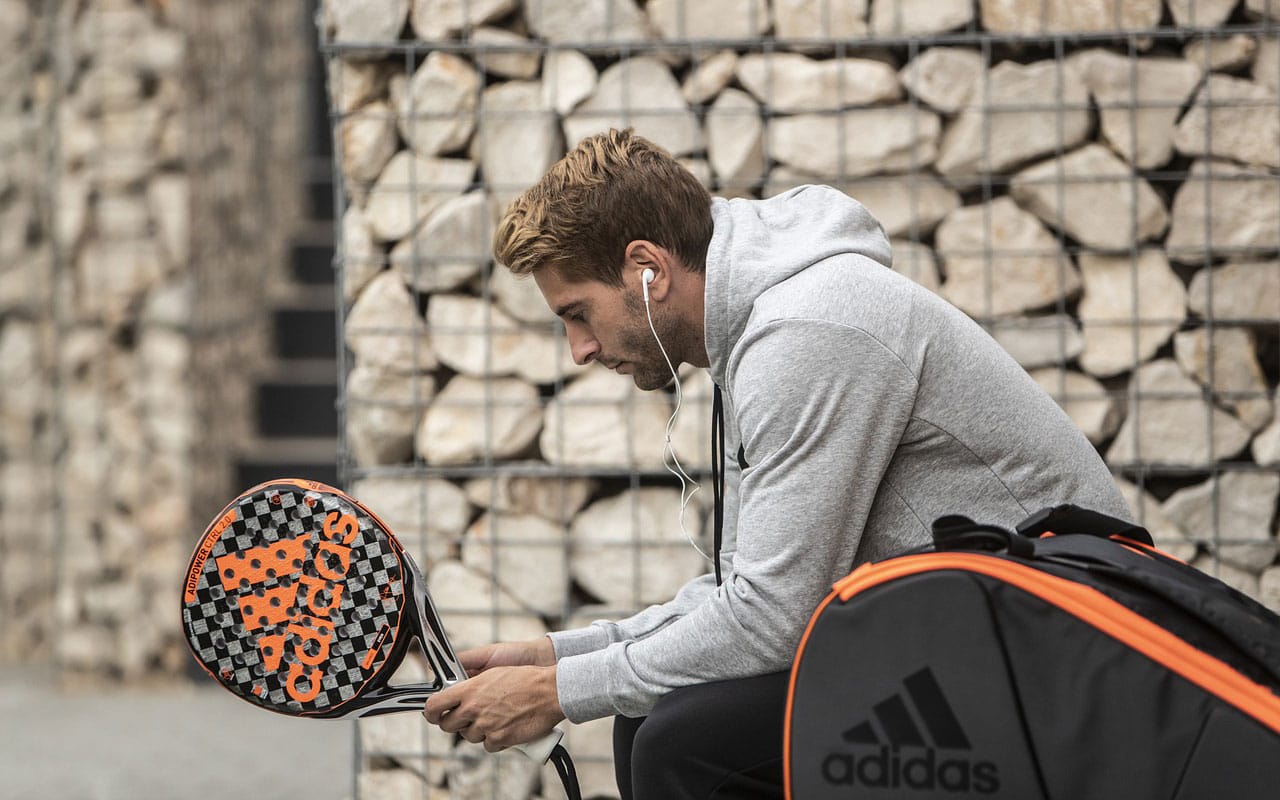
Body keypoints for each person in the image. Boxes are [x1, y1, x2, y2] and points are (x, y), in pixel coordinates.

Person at [422, 128, 1132, 799]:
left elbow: (771, 621)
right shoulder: (759, 332)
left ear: (646, 269)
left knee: (687, 744)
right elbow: (746, 592)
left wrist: (558, 693)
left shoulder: (806, 333)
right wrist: (561, 656)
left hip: (1063, 646)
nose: (579, 349)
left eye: (579, 313)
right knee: (653, 719)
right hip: (975, 628)